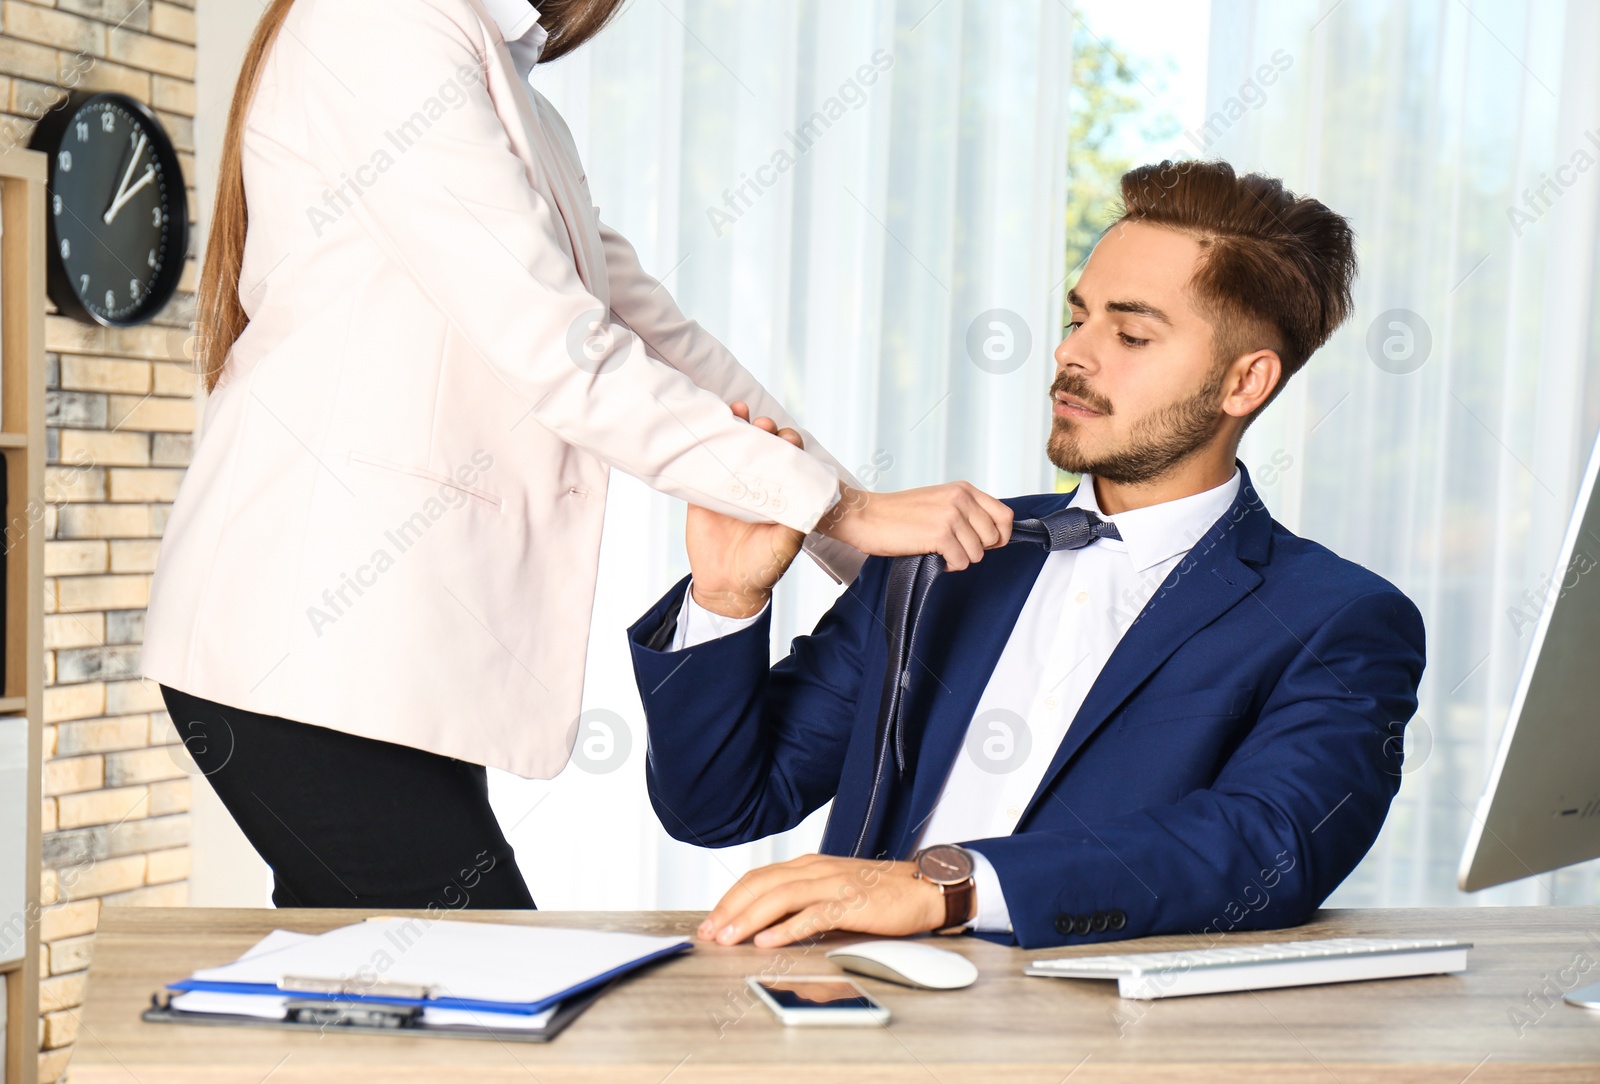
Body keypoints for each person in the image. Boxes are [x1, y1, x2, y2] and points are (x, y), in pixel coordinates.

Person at [140, 0, 1013, 910]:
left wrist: (852, 534)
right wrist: (840, 511)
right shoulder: (378, 21)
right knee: (482, 989)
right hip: (309, 636)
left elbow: (656, 335)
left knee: (392, 1010)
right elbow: (557, 348)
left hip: (391, 650)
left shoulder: (511, 90)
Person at [627, 160, 1427, 949]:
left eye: (1132, 333)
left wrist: (947, 886)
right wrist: (726, 599)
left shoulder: (1340, 619)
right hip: (855, 1022)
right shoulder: (944, 550)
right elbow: (720, 807)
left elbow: (1268, 846)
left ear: (1245, 383)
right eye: (1078, 317)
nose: (1073, 353)